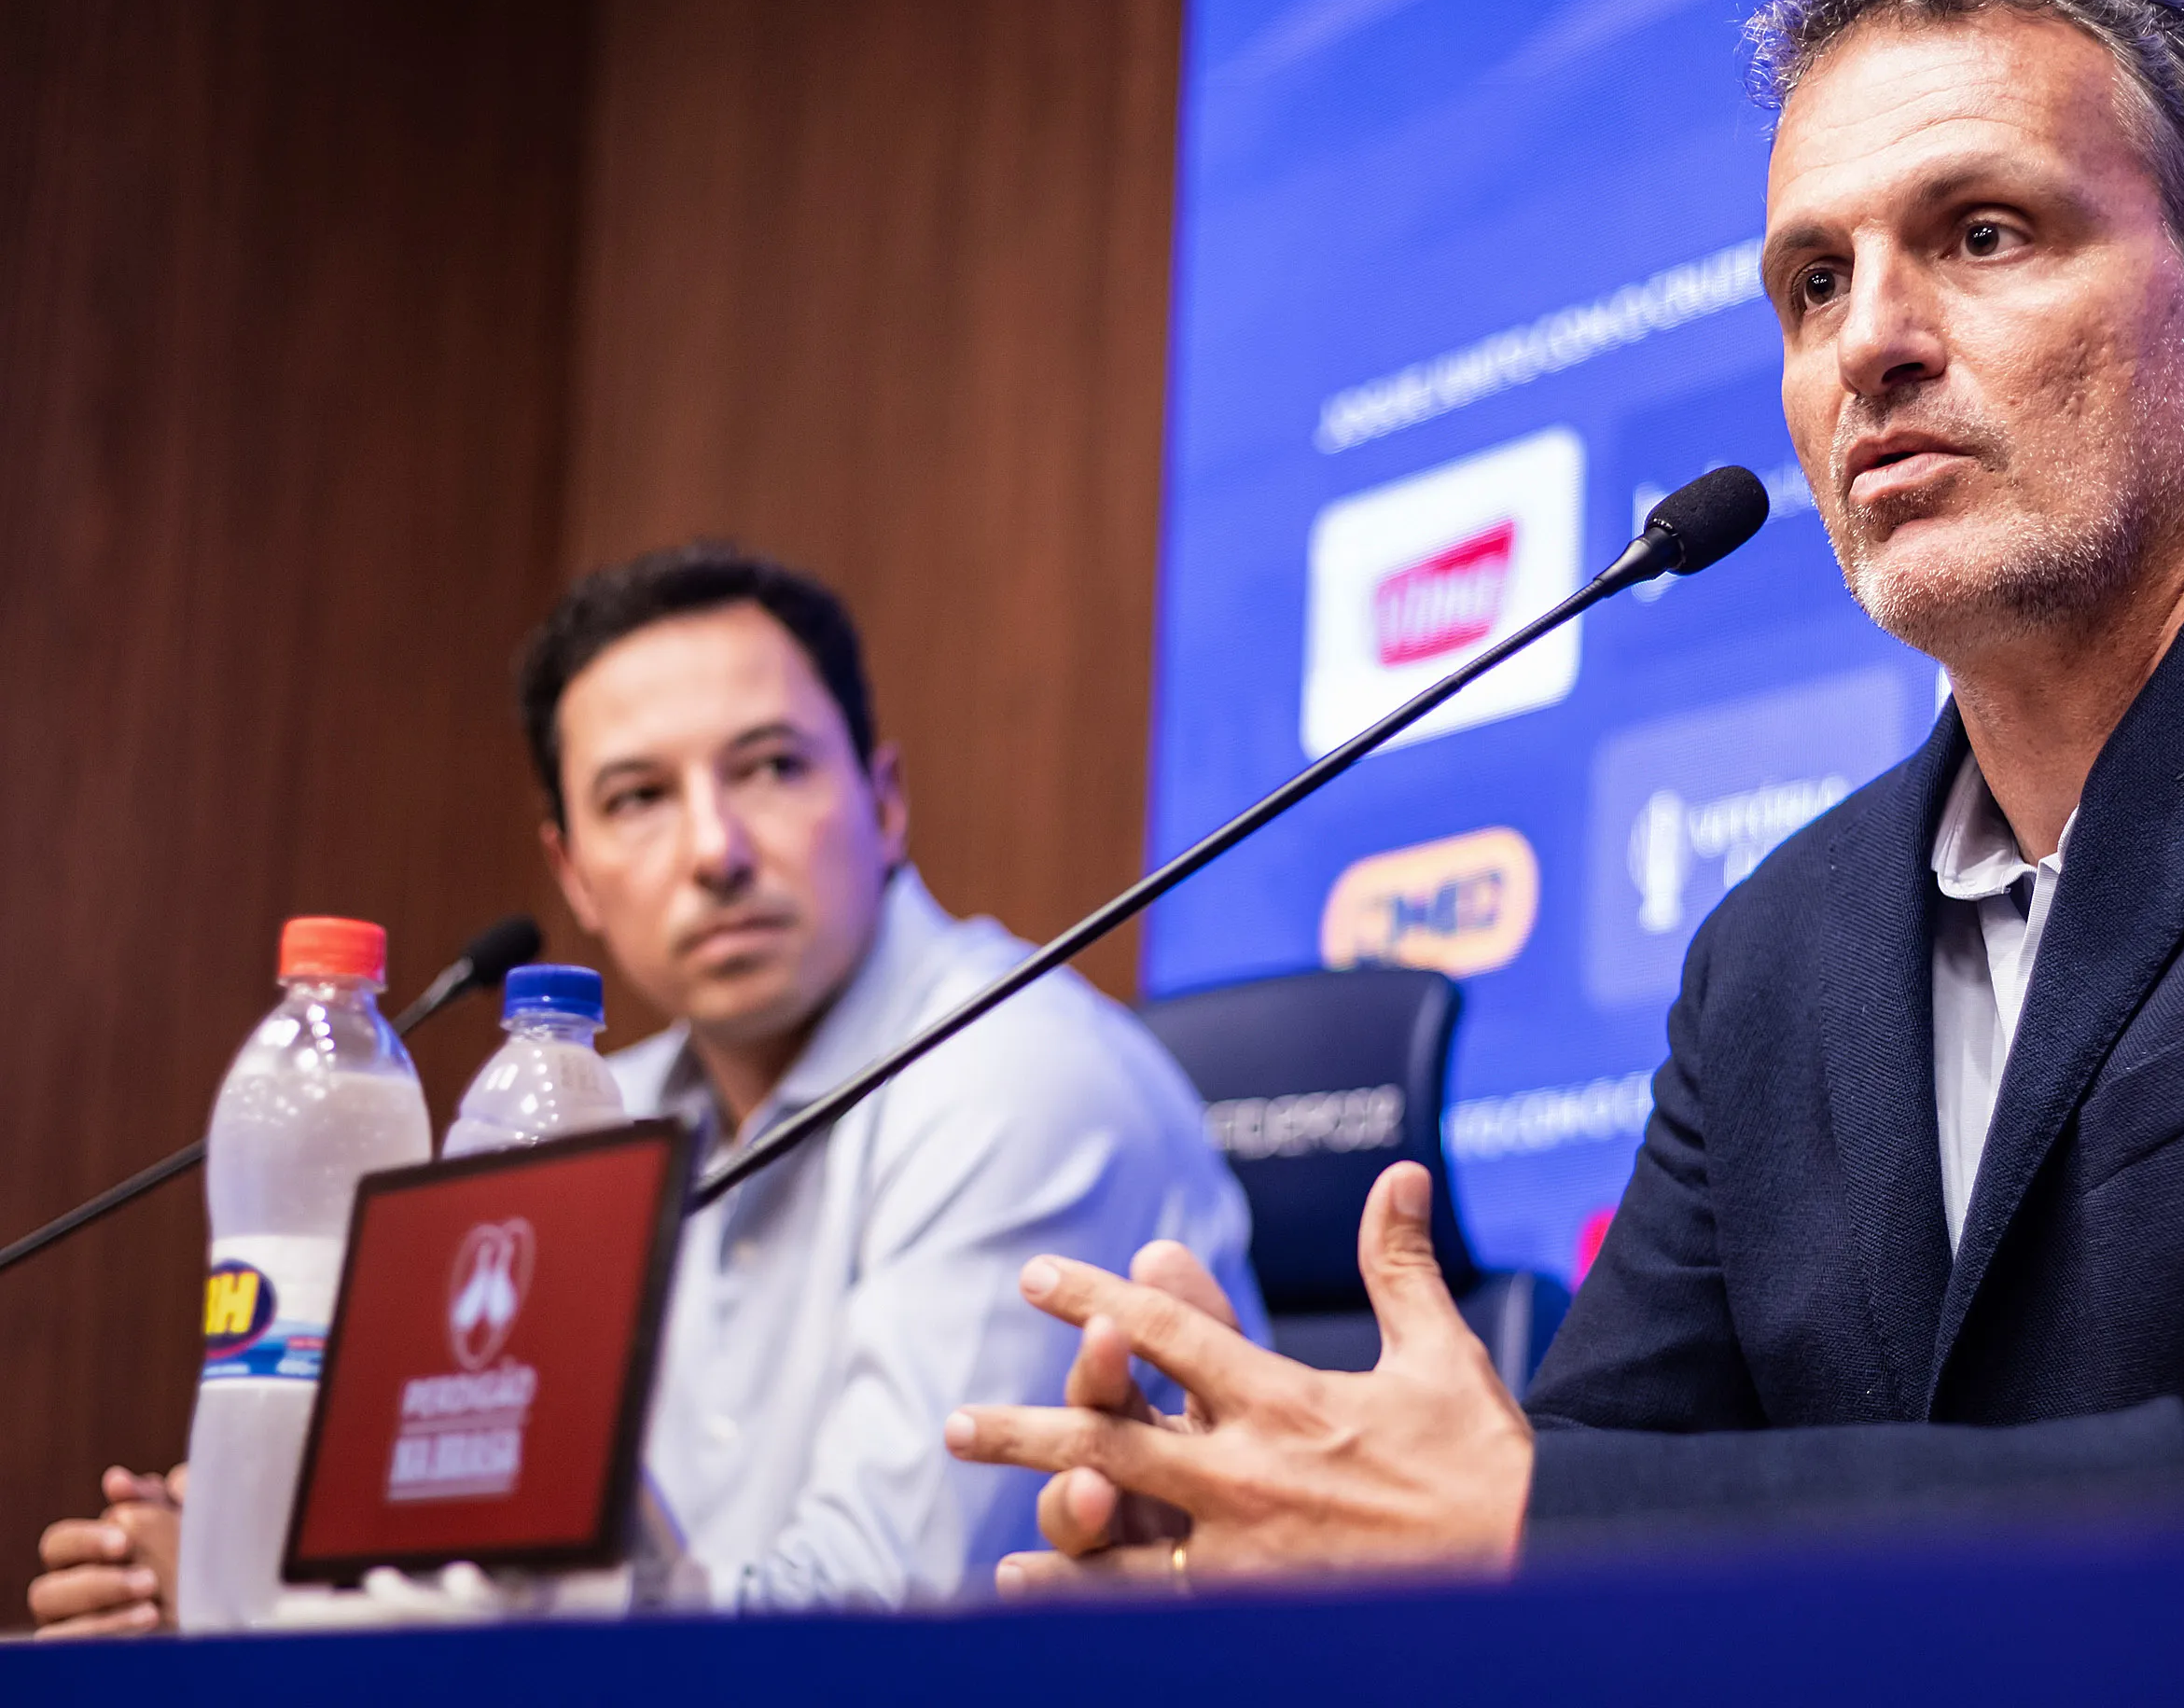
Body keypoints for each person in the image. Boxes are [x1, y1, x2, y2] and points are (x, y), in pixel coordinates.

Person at [943, 0, 2184, 1589]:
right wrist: (1291, 1565)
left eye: (1985, 234)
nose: (1873, 344)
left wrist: (1508, 1526)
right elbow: (1598, 1509)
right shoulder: (1779, 950)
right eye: (1813, 283)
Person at [30, 544, 1262, 1629]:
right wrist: (239, 1579)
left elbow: (867, 1628)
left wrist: (298, 1614)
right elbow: (461, 1548)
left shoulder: (1016, 1077)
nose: (716, 851)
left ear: (885, 804)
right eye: (637, 798)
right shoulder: (579, 1109)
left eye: (771, 768)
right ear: (572, 874)